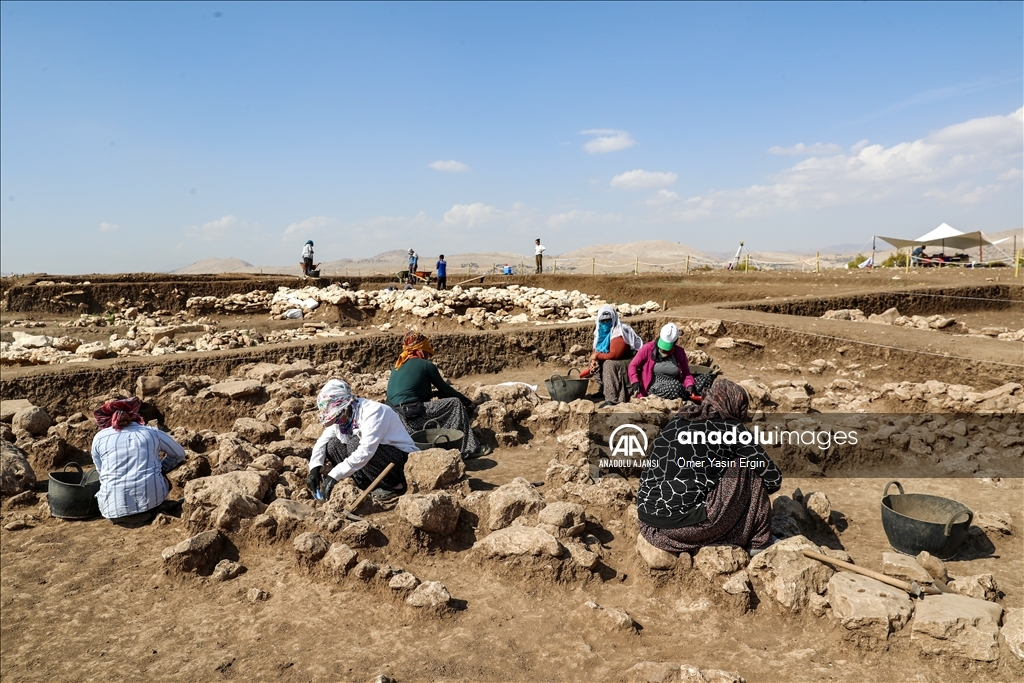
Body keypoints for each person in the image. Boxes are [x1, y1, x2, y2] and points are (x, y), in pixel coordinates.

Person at [636, 379, 782, 556]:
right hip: (686, 527)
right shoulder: (731, 428)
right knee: (749, 465)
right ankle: (759, 540)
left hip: (649, 521)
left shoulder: (679, 419)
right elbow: (773, 478)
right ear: (734, 404)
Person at [307, 379, 419, 502]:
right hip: (374, 460)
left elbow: (366, 450)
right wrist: (315, 468)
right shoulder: (345, 418)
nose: (336, 421)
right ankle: (366, 485)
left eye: (337, 416)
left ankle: (394, 486)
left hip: (399, 460)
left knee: (354, 444)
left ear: (346, 406)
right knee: (332, 445)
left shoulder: (374, 412)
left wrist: (334, 475)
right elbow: (322, 441)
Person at [386, 332, 488, 459]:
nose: (428, 356)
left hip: (396, 417)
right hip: (411, 415)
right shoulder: (426, 365)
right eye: (427, 352)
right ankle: (469, 448)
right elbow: (446, 389)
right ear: (420, 350)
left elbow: (407, 393)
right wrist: (468, 403)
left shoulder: (397, 365)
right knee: (455, 403)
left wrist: (433, 394)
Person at [91, 397, 185, 527]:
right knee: (159, 474)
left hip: (111, 511)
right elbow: (179, 454)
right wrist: (162, 469)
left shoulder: (99, 438)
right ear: (134, 415)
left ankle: (122, 509)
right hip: (151, 504)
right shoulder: (151, 432)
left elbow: (101, 471)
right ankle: (152, 504)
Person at [580, 304, 643, 406]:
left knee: (609, 364)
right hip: (618, 359)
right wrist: (593, 361)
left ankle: (612, 398)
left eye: (608, 320)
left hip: (631, 361)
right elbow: (595, 351)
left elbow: (614, 355)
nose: (605, 323)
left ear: (613, 319)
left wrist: (596, 356)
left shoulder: (620, 330)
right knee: (595, 362)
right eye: (603, 321)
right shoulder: (599, 333)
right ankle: (603, 391)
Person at [628, 323, 697, 401]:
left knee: (705, 379)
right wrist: (635, 381)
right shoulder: (648, 348)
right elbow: (633, 365)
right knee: (676, 386)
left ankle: (688, 394)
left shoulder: (679, 352)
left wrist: (689, 385)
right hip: (655, 388)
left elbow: (686, 373)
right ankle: (686, 395)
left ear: (675, 342)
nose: (664, 350)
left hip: (677, 384)